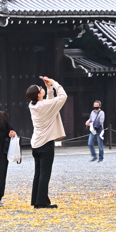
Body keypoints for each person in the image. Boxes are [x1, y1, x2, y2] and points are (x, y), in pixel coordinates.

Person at [26, 76, 67, 209]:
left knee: (38, 174)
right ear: (38, 94)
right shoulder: (44, 105)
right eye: (40, 88)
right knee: (45, 174)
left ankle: (36, 201)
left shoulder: (33, 105)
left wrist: (48, 89)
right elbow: (63, 96)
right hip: (45, 144)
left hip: (36, 144)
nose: (42, 87)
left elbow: (48, 104)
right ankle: (42, 202)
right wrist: (54, 83)